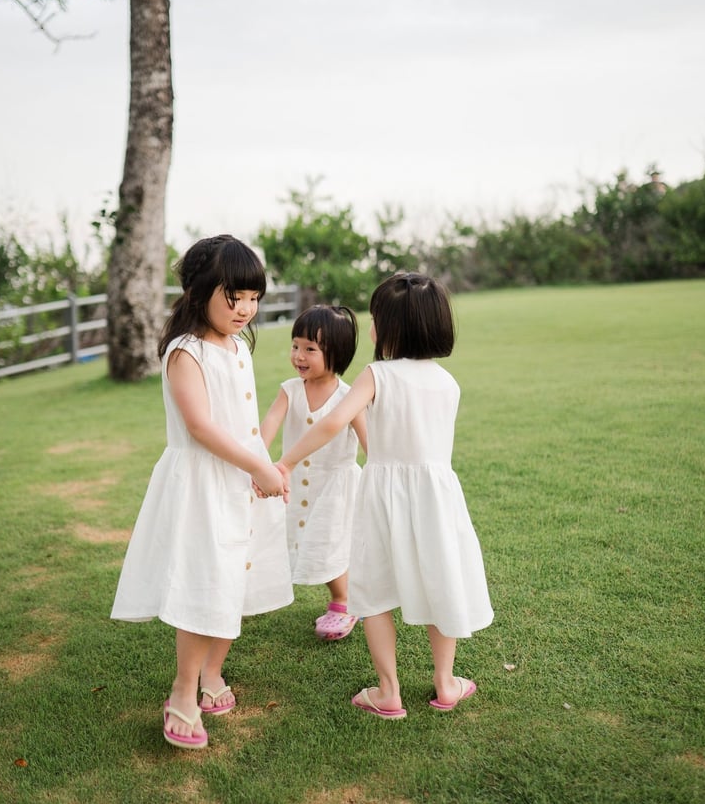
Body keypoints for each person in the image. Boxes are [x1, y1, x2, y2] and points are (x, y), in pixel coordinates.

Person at [276, 272, 493, 719]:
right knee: (438, 579)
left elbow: (334, 422)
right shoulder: (448, 382)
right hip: (436, 495)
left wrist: (286, 462)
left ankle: (388, 691)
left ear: (393, 327)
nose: (371, 327)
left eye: (376, 318)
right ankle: (447, 684)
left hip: (382, 493)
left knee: (373, 588)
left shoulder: (377, 374)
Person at [111, 235, 294, 750]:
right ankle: (183, 692)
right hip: (203, 483)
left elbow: (241, 422)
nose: (245, 309)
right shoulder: (185, 352)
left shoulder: (237, 347)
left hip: (239, 478)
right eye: (233, 296)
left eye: (253, 297)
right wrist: (259, 466)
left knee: (234, 579)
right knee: (204, 584)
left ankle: (213, 673)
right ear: (198, 292)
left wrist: (261, 466)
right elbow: (201, 428)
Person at [260, 305, 368, 641]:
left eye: (310, 349)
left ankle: (343, 601)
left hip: (334, 486)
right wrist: (258, 461)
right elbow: (269, 425)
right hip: (293, 485)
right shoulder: (289, 389)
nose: (299, 356)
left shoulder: (349, 397)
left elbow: (369, 443)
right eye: (295, 346)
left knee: (327, 544)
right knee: (297, 541)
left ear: (336, 353)